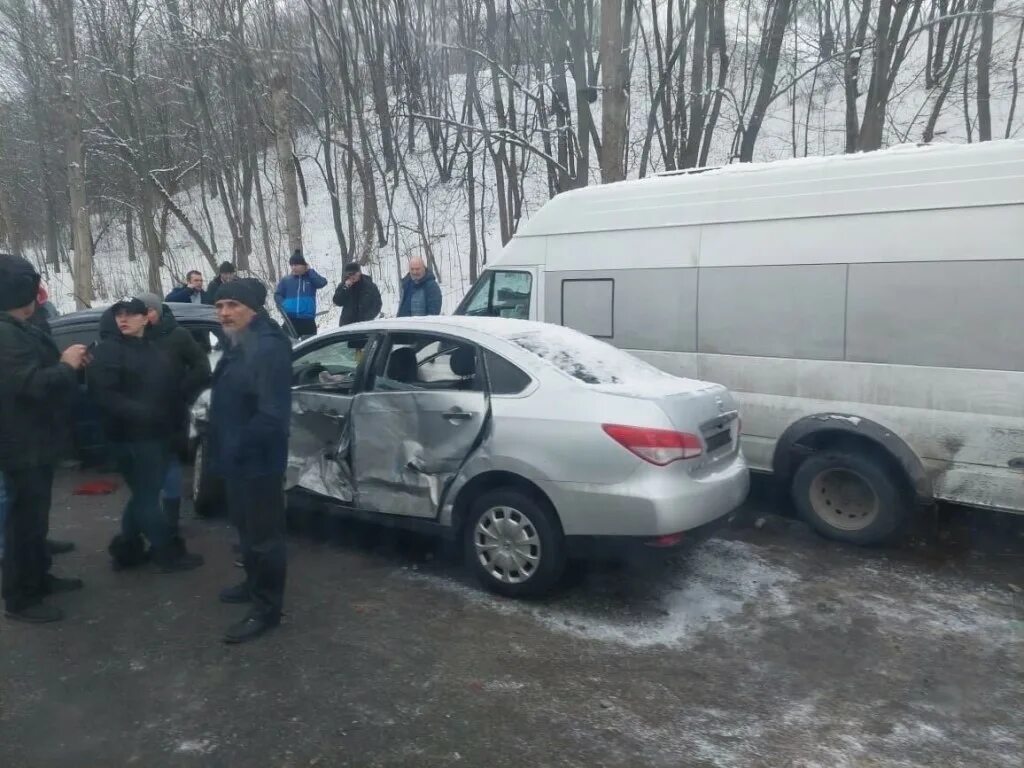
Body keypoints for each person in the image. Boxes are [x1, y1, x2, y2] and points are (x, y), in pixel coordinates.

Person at [0, 253, 87, 623]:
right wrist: (66, 365)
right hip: (22, 444)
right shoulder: (5, 333)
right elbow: (32, 384)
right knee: (24, 524)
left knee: (35, 520)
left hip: (35, 440)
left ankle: (39, 577)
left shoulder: (21, 326)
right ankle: (21, 598)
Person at [88, 297, 204, 574]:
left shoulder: (152, 349)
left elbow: (170, 388)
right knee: (147, 497)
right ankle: (166, 552)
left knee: (143, 494)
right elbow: (104, 396)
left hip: (157, 435)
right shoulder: (108, 351)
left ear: (146, 318)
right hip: (129, 438)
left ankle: (127, 548)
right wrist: (144, 413)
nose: (123, 319)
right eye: (119, 315)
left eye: (130, 314)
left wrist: (175, 419)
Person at [210, 278, 291, 643]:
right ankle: (252, 584)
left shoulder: (268, 348)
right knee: (245, 531)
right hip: (237, 460)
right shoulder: (239, 342)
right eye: (220, 306)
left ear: (252, 309)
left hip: (258, 463)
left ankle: (267, 609)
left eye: (233, 305)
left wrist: (238, 447)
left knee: (264, 539)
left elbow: (272, 415)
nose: (224, 313)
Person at [135, 294, 211, 539]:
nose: (145, 317)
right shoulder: (133, 337)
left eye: (149, 311)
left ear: (157, 311)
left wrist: (180, 390)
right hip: (140, 412)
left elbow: (202, 367)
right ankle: (146, 518)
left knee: (169, 464)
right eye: (140, 312)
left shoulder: (177, 335)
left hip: (171, 410)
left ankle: (170, 519)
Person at [274, 250, 327, 337]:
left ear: (304, 265)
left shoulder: (310, 278)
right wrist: (284, 303)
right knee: (288, 347)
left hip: (307, 321)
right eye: (292, 265)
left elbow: (322, 283)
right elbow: (277, 295)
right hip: (290, 320)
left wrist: (310, 271)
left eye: (296, 265)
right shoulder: (286, 280)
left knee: (311, 349)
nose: (293, 267)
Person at [333, 262, 383, 327]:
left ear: (359, 272)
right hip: (347, 325)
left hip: (365, 325)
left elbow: (377, 304)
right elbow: (337, 301)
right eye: (348, 274)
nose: (351, 276)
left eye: (353, 273)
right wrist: (345, 288)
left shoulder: (370, 286)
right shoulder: (344, 286)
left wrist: (367, 318)